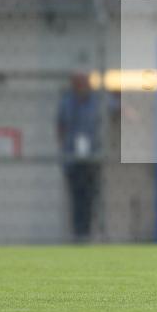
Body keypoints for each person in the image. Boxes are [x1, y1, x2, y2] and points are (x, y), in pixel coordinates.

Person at [57, 72, 102, 242]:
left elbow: (112, 107)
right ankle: (78, 234)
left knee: (90, 196)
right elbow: (60, 125)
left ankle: (88, 233)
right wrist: (64, 147)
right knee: (76, 197)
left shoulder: (96, 101)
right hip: (73, 157)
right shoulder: (67, 102)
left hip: (91, 157)